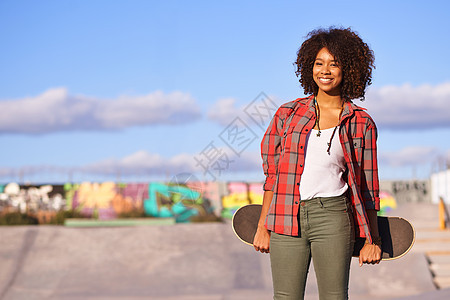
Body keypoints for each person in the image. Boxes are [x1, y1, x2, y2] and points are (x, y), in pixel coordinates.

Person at [253, 27, 382, 300]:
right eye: (319, 63)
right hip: (286, 215)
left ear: (349, 69)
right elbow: (273, 177)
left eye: (334, 64)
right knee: (285, 297)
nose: (325, 70)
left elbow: (368, 186)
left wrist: (373, 239)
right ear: (308, 66)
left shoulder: (361, 123)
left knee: (334, 297)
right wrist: (263, 226)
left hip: (333, 216)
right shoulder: (288, 114)